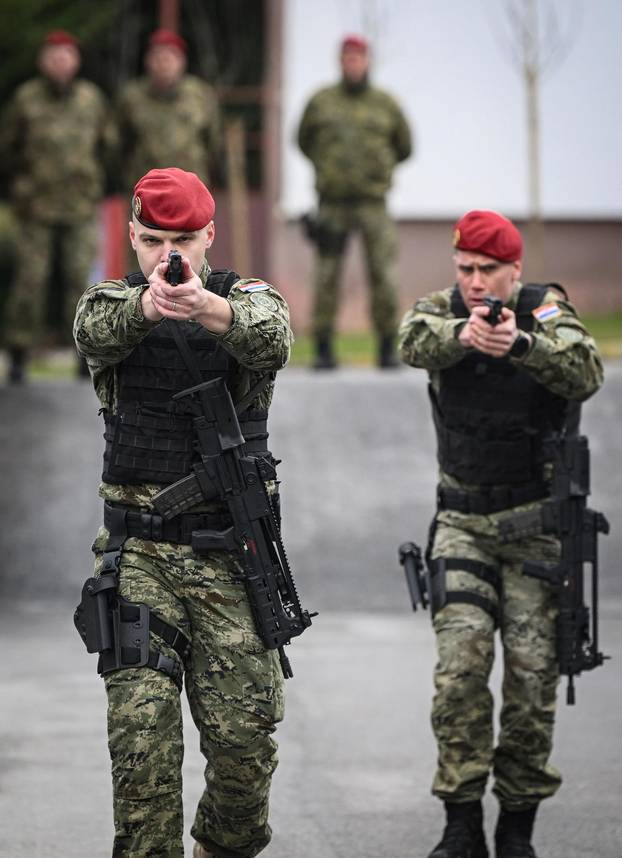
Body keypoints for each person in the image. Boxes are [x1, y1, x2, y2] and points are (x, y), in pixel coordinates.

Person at [73, 167, 292, 858]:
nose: (170, 255)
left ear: (210, 236)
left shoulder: (247, 301)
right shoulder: (113, 304)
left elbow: (272, 335)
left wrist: (203, 307)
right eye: (153, 240)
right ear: (133, 238)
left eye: (185, 240)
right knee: (141, 760)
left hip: (231, 562)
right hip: (140, 561)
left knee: (243, 755)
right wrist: (150, 307)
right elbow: (93, 330)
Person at [398, 210, 604, 858]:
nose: (477, 281)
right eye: (466, 269)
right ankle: (462, 823)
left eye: (489, 270)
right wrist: (466, 335)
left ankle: (517, 825)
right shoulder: (441, 310)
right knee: (460, 670)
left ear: (516, 269)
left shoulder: (546, 311)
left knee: (531, 680)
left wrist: (523, 344)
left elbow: (586, 370)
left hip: (535, 529)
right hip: (463, 524)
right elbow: (412, 340)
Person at [0, 29, 116, 383]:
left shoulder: (91, 100)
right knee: (30, 282)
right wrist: (20, 188)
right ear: (42, 60)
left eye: (66, 55)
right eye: (53, 55)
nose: (60, 62)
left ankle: (83, 356)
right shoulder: (26, 99)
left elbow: (108, 146)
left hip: (80, 207)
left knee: (79, 281)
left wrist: (97, 183)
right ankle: (19, 354)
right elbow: (7, 149)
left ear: (76, 61)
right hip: (35, 208)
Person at [297, 33, 412, 369]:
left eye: (358, 57)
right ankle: (322, 348)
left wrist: (377, 171)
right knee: (326, 275)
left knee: (383, 273)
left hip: (373, 203)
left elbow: (404, 147)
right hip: (332, 203)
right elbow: (303, 141)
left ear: (367, 61)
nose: (353, 63)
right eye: (347, 57)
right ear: (340, 61)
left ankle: (387, 347)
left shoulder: (386, 104)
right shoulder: (321, 101)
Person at [117, 29, 221, 194]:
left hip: (191, 189)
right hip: (146, 189)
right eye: (157, 57)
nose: (164, 63)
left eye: (170, 57)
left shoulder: (200, 95)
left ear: (182, 61)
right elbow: (121, 143)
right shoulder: (132, 98)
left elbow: (212, 142)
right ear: (147, 61)